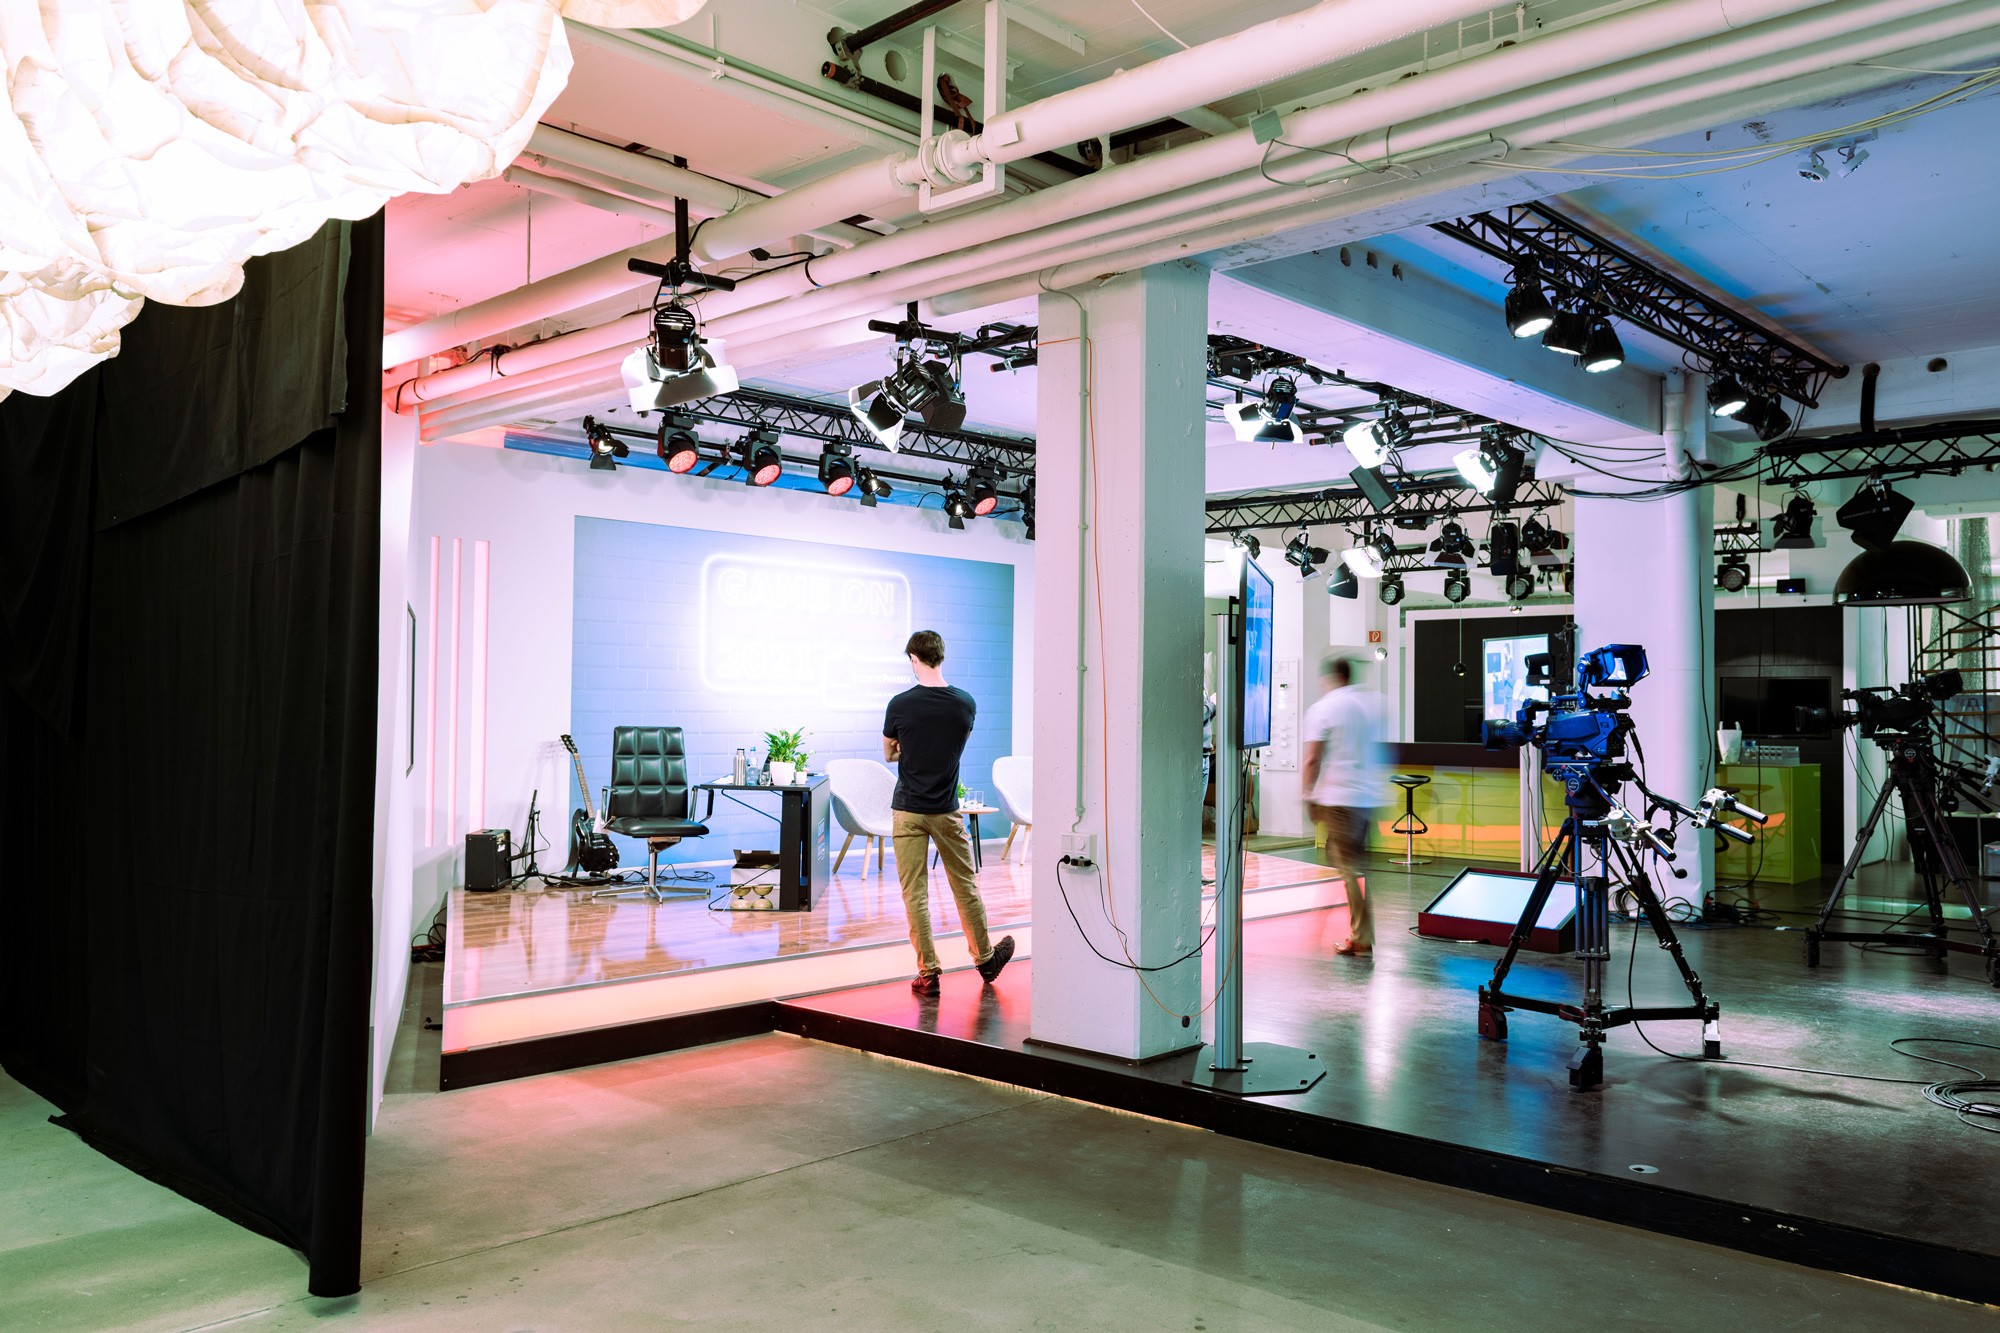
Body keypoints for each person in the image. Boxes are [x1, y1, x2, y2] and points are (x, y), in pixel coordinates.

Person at [882, 629, 1015, 996]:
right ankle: (986, 960)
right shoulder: (964, 704)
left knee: (915, 894)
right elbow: (955, 750)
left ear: (913, 659)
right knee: (965, 886)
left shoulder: (899, 704)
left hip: (907, 810)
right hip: (946, 809)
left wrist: (905, 748)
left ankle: (928, 975)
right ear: (941, 656)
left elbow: (890, 755)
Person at [1300, 653, 1385, 956]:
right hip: (1367, 798)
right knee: (1350, 864)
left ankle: (1361, 936)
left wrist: (1308, 796)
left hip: (1339, 800)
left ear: (1329, 678)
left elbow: (1312, 758)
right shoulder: (1371, 704)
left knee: (1349, 868)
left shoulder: (1323, 708)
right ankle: (1358, 931)